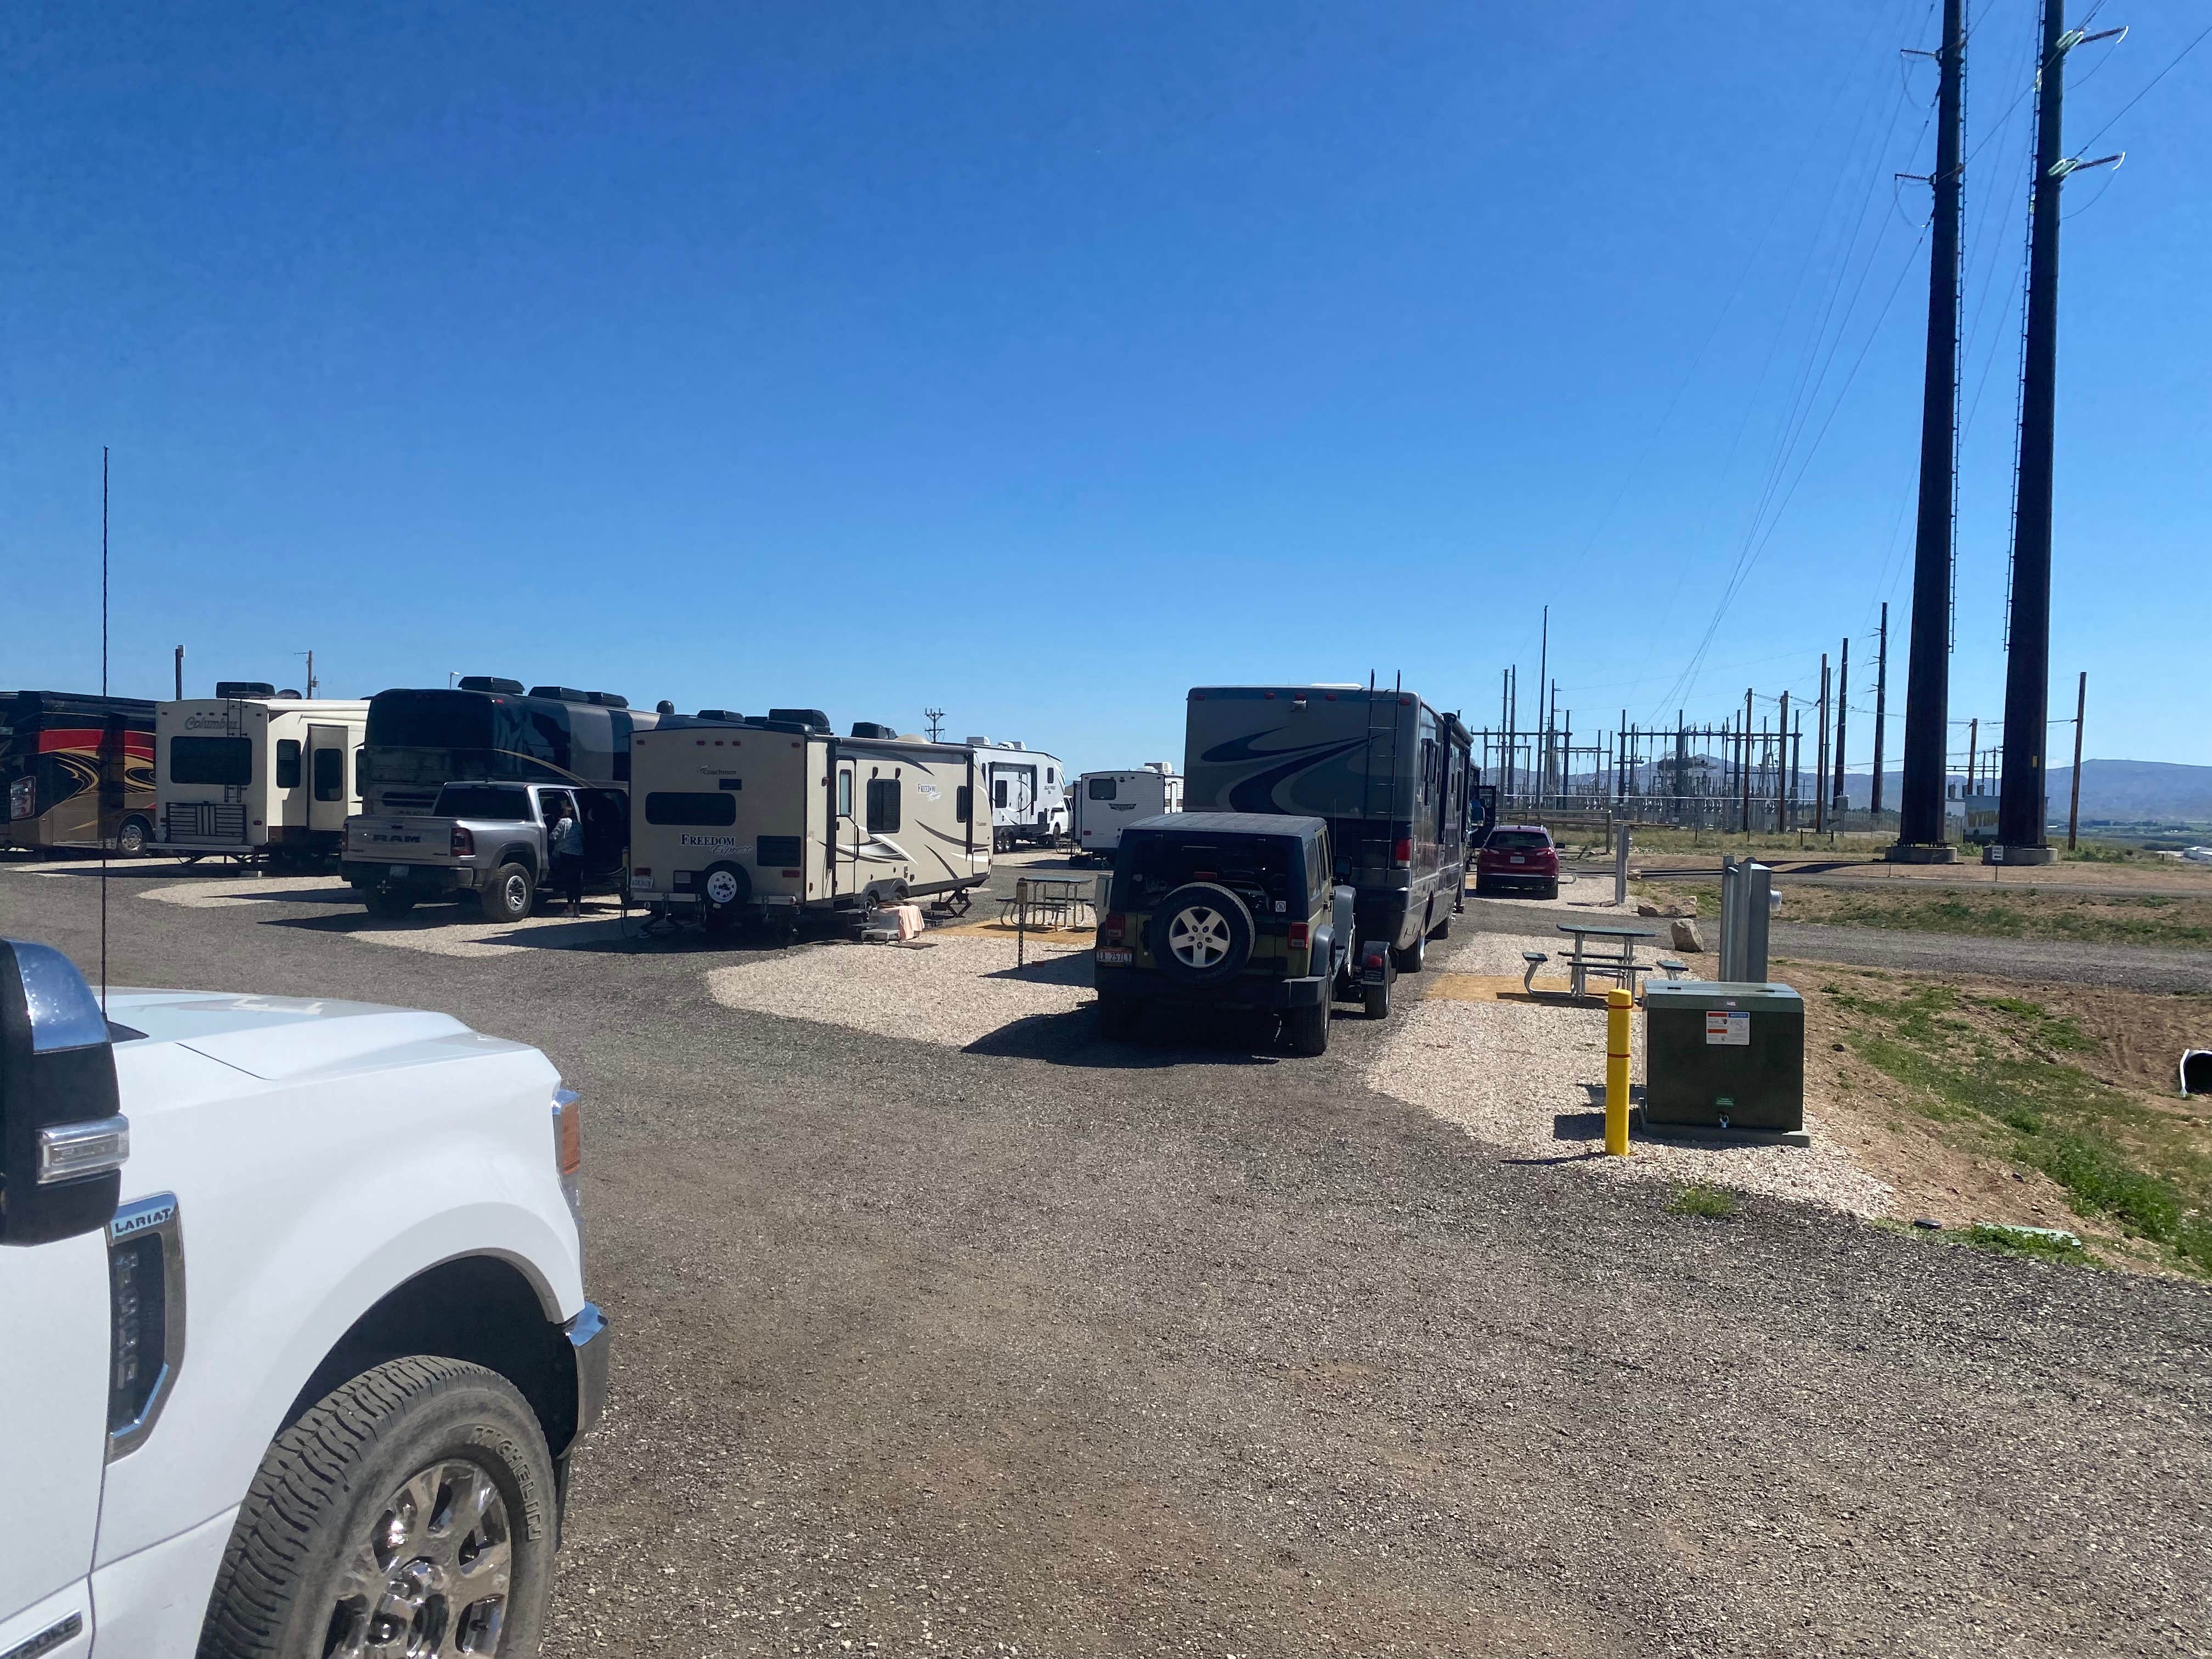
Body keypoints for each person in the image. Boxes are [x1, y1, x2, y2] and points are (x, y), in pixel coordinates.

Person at [550, 798, 585, 917]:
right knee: (577, 882)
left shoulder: (563, 822)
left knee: (569, 882)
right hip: (579, 856)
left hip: (566, 856)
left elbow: (553, 837)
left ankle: (569, 909)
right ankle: (577, 909)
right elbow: (582, 839)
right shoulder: (579, 825)